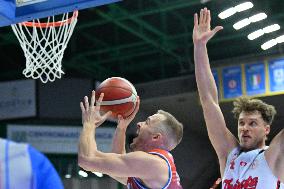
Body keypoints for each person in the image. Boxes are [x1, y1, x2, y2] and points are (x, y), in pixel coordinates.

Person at [193, 7, 284, 188]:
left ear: (267, 129)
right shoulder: (229, 155)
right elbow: (208, 100)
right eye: (242, 122)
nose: (244, 128)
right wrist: (199, 47)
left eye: (252, 123)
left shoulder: (273, 156)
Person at [78, 90, 183, 189]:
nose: (139, 123)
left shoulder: (152, 164)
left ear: (156, 137)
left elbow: (86, 160)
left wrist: (89, 124)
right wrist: (121, 128)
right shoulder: (151, 168)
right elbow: (117, 169)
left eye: (147, 122)